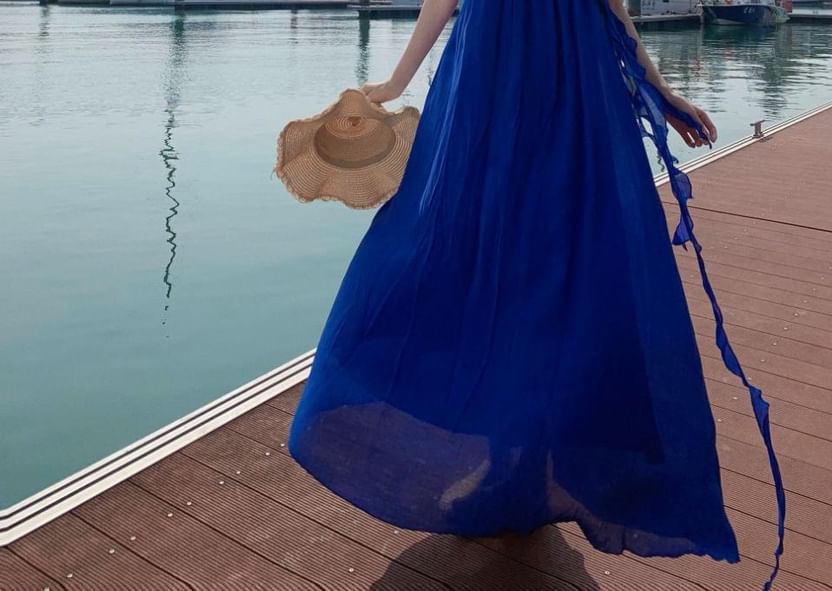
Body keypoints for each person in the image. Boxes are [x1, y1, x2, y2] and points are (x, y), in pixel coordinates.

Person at [288, 1, 785, 589]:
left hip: (567, 77)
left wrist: (658, 87)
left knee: (566, 261)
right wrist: (398, 80)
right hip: (497, 72)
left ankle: (516, 463)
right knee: (459, 249)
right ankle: (509, 461)